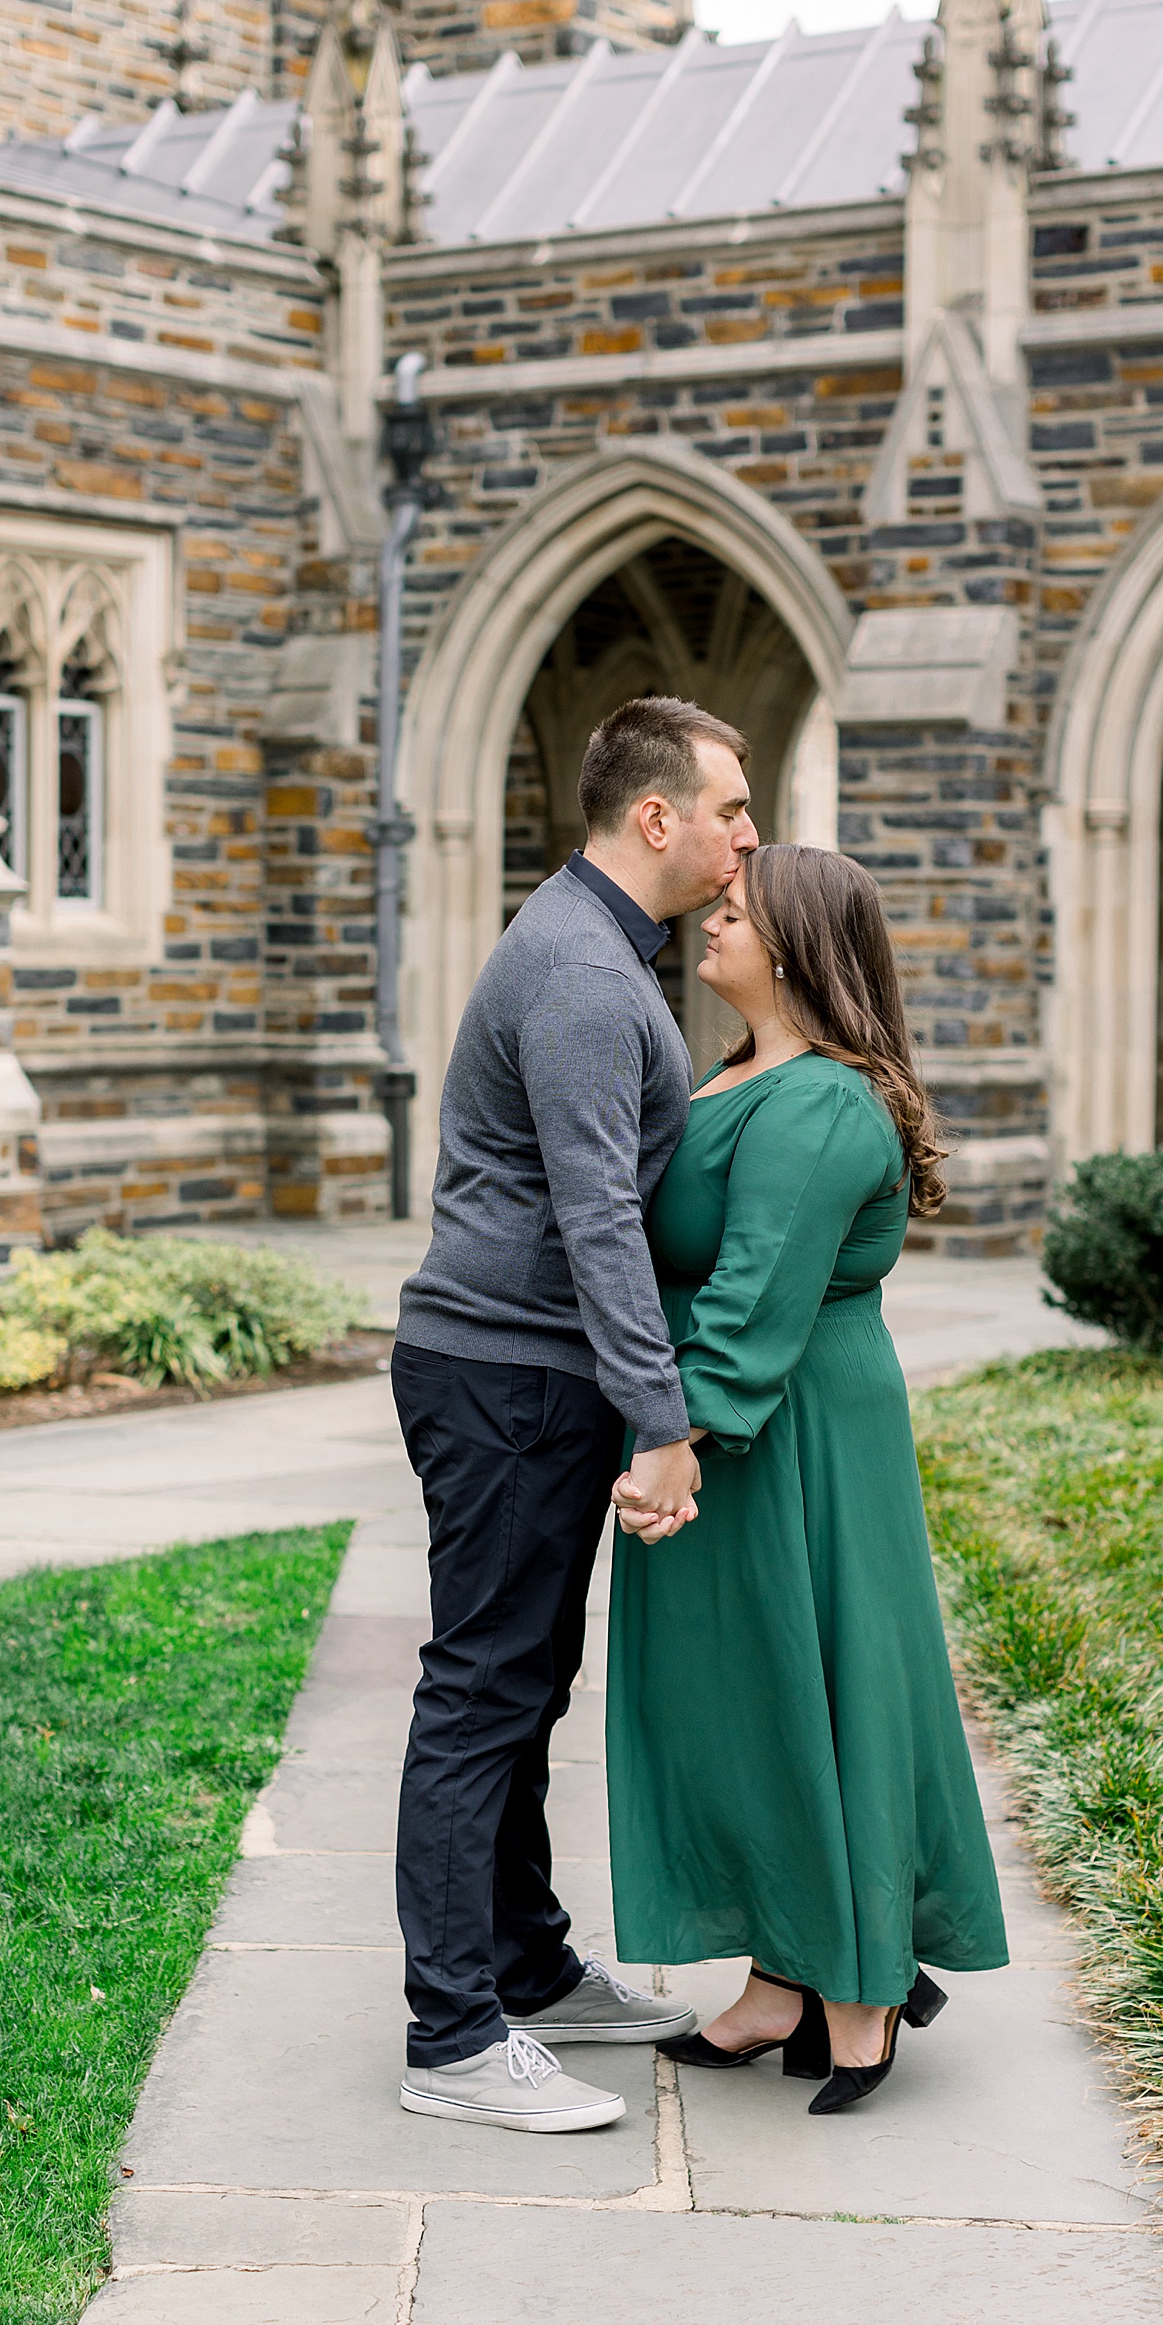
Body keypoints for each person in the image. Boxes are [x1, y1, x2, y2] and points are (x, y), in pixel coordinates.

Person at [391, 694, 759, 2134]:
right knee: (483, 1691)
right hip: (510, 1377)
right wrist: (658, 1418)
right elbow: (600, 1217)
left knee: (522, 1685)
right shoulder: (588, 978)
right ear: (654, 817)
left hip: (523, 1373)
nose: (747, 833)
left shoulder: (593, 948)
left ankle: (528, 1966)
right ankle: (452, 2039)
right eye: (730, 806)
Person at [607, 843, 1009, 2114]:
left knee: (828, 1683)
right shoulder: (736, 1072)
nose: (710, 923)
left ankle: (863, 1983)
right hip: (728, 1423)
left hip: (794, 1429)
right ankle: (783, 1972)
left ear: (797, 946)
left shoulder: (827, 1103)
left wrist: (682, 1436)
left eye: (735, 911)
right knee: (749, 1695)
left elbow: (756, 1289)